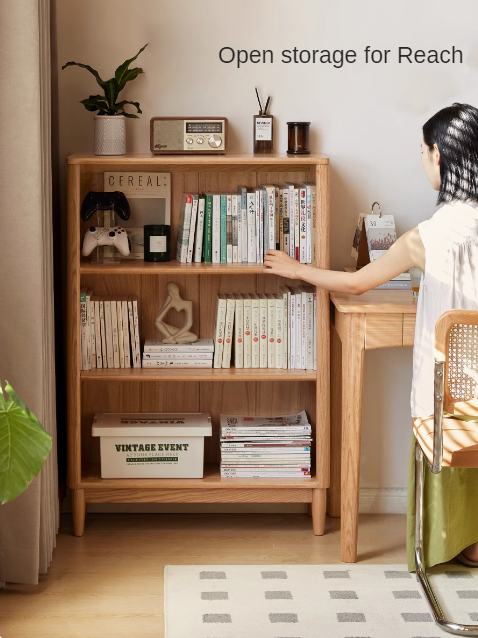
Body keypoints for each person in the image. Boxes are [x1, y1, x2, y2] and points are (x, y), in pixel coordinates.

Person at [264, 103, 478, 569]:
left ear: (438, 155)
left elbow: (357, 283)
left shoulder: (429, 236)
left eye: (423, 152)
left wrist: (297, 268)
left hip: (455, 406)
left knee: (442, 409)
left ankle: (453, 540)